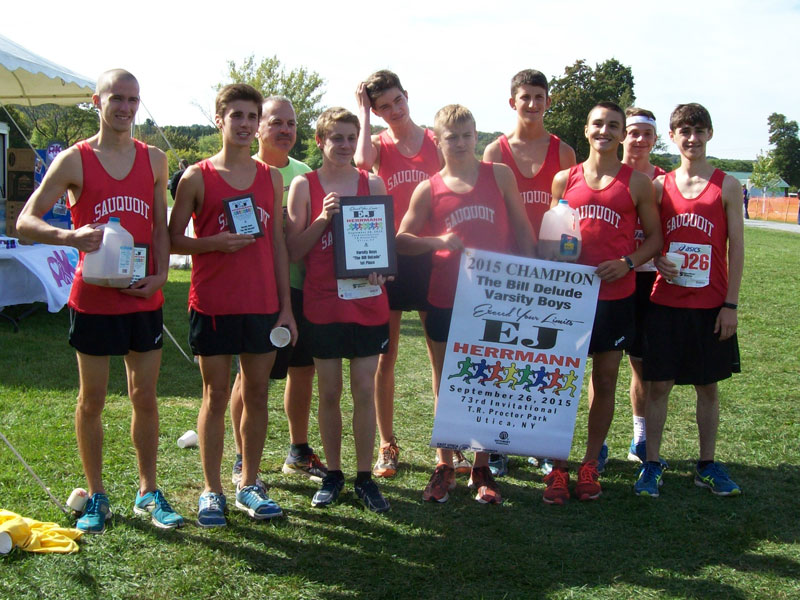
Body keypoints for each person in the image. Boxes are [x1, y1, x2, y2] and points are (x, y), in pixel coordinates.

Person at [16, 68, 183, 533]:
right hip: (92, 299)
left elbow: (158, 228)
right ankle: (97, 495)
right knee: (92, 401)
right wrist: (69, 234)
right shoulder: (73, 160)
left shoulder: (155, 160)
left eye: (134, 99)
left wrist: (160, 276)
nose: (127, 108)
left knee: (144, 396)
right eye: (118, 99)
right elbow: (25, 222)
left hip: (141, 297)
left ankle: (148, 491)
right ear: (97, 101)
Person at [168, 83, 296, 527]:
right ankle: (211, 490)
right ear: (219, 119)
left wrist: (286, 308)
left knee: (257, 394)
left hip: (262, 304)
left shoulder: (271, 177)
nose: (244, 124)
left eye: (251, 116)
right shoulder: (197, 176)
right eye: (236, 115)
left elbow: (278, 244)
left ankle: (249, 484)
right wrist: (212, 243)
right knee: (216, 395)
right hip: (214, 304)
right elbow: (171, 239)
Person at [396, 104, 536, 504]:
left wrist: (530, 278)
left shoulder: (499, 175)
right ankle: (444, 464)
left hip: (494, 298)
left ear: (477, 136)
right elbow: (402, 239)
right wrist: (437, 242)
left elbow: (523, 230)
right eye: (450, 136)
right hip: (444, 294)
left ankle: (481, 464)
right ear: (436, 140)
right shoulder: (429, 187)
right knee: (446, 380)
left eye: (466, 134)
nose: (459, 143)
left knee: (486, 379)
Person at [545, 102, 662, 505]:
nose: (605, 131)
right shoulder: (565, 179)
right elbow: (552, 236)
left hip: (614, 295)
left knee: (606, 380)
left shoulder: (637, 183)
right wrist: (557, 255)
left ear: (622, 133)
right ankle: (557, 466)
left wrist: (628, 262)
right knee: (559, 381)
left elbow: (655, 240)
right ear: (587, 128)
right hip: (568, 297)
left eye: (614, 125)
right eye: (599, 124)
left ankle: (590, 463)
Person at [285, 107, 391, 513]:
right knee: (329, 391)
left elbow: (385, 251)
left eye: (352, 138)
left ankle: (365, 478)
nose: (345, 146)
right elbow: (294, 250)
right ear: (320, 141)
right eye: (337, 138)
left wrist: (384, 271)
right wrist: (322, 218)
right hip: (323, 302)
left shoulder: (373, 183)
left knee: (364, 389)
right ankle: (333, 472)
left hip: (367, 302)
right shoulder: (303, 185)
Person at [635, 103, 743, 498]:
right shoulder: (661, 186)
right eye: (684, 131)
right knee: (658, 385)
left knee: (708, 387)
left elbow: (737, 250)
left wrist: (730, 305)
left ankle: (707, 464)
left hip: (710, 306)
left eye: (699, 131)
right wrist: (658, 257)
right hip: (666, 302)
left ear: (709, 134)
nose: (692, 138)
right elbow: (654, 239)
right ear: (673, 136)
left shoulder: (726, 185)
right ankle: (652, 463)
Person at [228, 96, 327, 487]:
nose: (285, 130)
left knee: (303, 370)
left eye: (291, 123)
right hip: (257, 290)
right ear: (259, 128)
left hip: (301, 287)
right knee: (248, 378)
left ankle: (297, 451)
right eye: (277, 123)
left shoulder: (304, 174)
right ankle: (241, 457)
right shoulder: (244, 172)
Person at [482, 68, 576, 477]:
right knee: (502, 355)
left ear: (548, 101)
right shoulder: (494, 152)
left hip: (550, 271)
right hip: (507, 270)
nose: (533, 104)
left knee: (543, 357)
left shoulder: (566, 152)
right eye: (526, 97)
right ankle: (497, 444)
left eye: (540, 97)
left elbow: (570, 216)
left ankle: (536, 439)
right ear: (512, 102)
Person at [354, 70, 443, 478]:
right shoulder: (375, 144)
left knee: (438, 356)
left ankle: (448, 444)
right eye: (382, 106)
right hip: (388, 259)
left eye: (396, 101)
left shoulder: (434, 141)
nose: (393, 111)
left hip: (431, 255)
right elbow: (360, 166)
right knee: (384, 357)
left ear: (407, 95)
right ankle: (387, 444)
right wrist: (363, 114)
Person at [619, 107, 669, 468]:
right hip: (610, 276)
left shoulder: (664, 181)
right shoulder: (608, 175)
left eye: (646, 134)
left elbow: (672, 230)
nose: (639, 139)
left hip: (649, 278)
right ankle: (598, 443)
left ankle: (639, 434)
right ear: (623, 134)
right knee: (602, 364)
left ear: (654, 139)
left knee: (642, 365)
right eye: (633, 132)